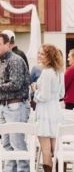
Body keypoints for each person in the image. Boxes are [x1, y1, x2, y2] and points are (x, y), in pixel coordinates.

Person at [0, 32, 31, 172]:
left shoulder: (14, 60)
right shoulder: (0, 60)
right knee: (6, 144)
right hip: (5, 106)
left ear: (8, 44)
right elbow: (7, 82)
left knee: (17, 143)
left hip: (16, 105)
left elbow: (16, 84)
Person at [31, 44, 64, 172]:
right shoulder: (59, 72)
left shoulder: (46, 73)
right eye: (39, 53)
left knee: (46, 150)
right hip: (55, 110)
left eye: (42, 54)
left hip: (45, 112)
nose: (39, 55)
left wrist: (35, 90)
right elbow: (61, 94)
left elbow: (43, 96)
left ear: (49, 57)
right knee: (56, 148)